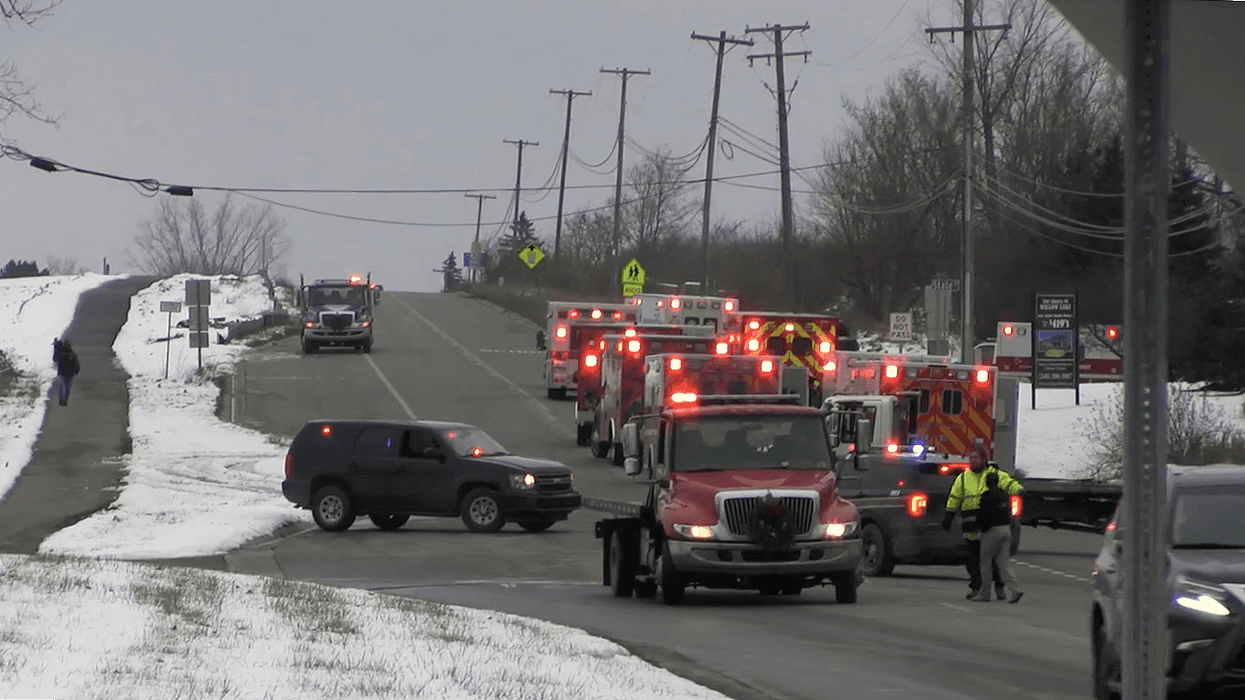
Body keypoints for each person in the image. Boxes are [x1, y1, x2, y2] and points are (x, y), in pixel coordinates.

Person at [942, 444, 1024, 600]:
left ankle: (998, 588)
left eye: (976, 458)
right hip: (971, 525)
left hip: (988, 526)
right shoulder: (963, 478)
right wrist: (949, 515)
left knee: (992, 562)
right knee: (972, 561)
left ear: (984, 460)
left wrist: (1019, 490)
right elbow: (954, 497)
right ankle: (977, 587)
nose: (972, 461)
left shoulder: (993, 475)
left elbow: (1008, 482)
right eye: (971, 458)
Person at [971, 471, 1024, 603]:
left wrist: (979, 528)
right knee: (1003, 563)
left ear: (987, 483)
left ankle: (985, 593)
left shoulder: (987, 496)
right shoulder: (1003, 495)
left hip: (992, 531)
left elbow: (983, 515)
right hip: (1005, 530)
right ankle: (1015, 590)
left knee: (986, 563)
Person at [53, 338, 81, 406]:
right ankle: (64, 401)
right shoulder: (72, 354)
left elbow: (55, 359)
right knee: (66, 388)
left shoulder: (62, 353)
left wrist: (56, 348)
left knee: (63, 387)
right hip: (68, 374)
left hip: (63, 373)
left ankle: (62, 400)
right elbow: (76, 364)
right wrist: (77, 370)